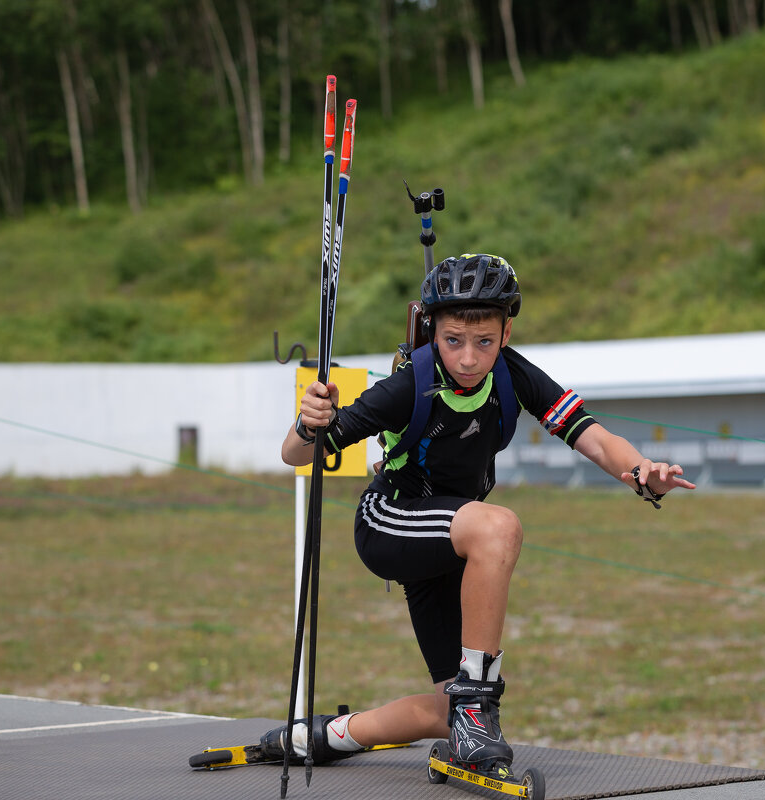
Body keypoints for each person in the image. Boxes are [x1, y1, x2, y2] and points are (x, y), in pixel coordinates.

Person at [267, 253, 695, 772]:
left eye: (484, 342)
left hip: (450, 546)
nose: (469, 358)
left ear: (506, 333)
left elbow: (595, 438)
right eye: (453, 341)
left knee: (445, 711)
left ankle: (324, 736)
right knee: (498, 526)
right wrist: (309, 422)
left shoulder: (514, 377)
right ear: (433, 332)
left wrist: (641, 470)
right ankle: (477, 705)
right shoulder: (409, 385)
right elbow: (296, 454)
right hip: (390, 521)